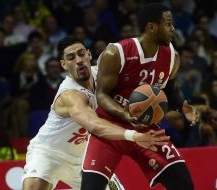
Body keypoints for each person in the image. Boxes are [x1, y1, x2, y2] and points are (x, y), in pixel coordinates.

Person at [22, 36, 170, 190]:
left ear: (89, 55)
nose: (78, 60)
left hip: (84, 157)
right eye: (71, 58)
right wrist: (133, 135)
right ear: (63, 64)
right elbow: (94, 125)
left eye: (81, 54)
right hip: (49, 154)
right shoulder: (70, 94)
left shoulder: (103, 75)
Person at [81, 3, 198, 190]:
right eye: (168, 24)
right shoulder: (116, 53)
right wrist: (126, 115)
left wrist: (182, 105)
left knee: (184, 184)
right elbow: (101, 95)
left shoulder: (172, 57)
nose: (173, 29)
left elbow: (170, 87)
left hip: (146, 129)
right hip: (110, 127)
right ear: (152, 27)